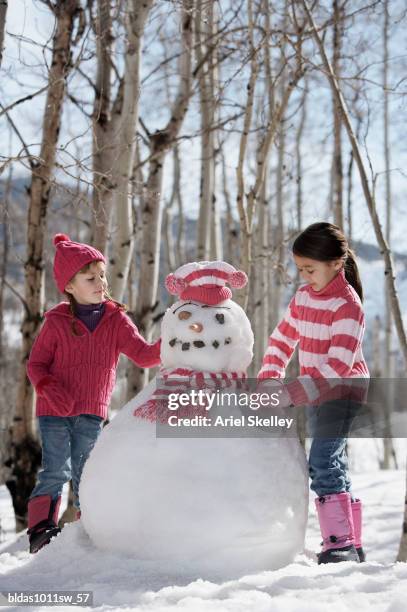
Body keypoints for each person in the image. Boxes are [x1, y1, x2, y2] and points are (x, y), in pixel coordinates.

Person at [26, 233, 161, 554]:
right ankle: (41, 531)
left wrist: (173, 342)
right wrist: (47, 388)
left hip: (91, 410)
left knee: (88, 470)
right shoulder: (57, 321)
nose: (101, 282)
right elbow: (36, 364)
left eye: (102, 275)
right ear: (69, 287)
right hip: (54, 411)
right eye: (91, 278)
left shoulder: (116, 319)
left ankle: (90, 527)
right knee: (57, 469)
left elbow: (143, 356)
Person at [258, 222, 369, 564]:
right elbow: (282, 338)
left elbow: (337, 367)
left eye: (310, 269)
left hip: (343, 391)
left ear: (336, 264)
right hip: (315, 390)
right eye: (300, 268)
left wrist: (291, 392)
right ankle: (352, 543)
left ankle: (339, 545)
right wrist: (270, 376)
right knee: (331, 460)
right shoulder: (304, 297)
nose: (304, 276)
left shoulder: (349, 306)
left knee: (321, 460)